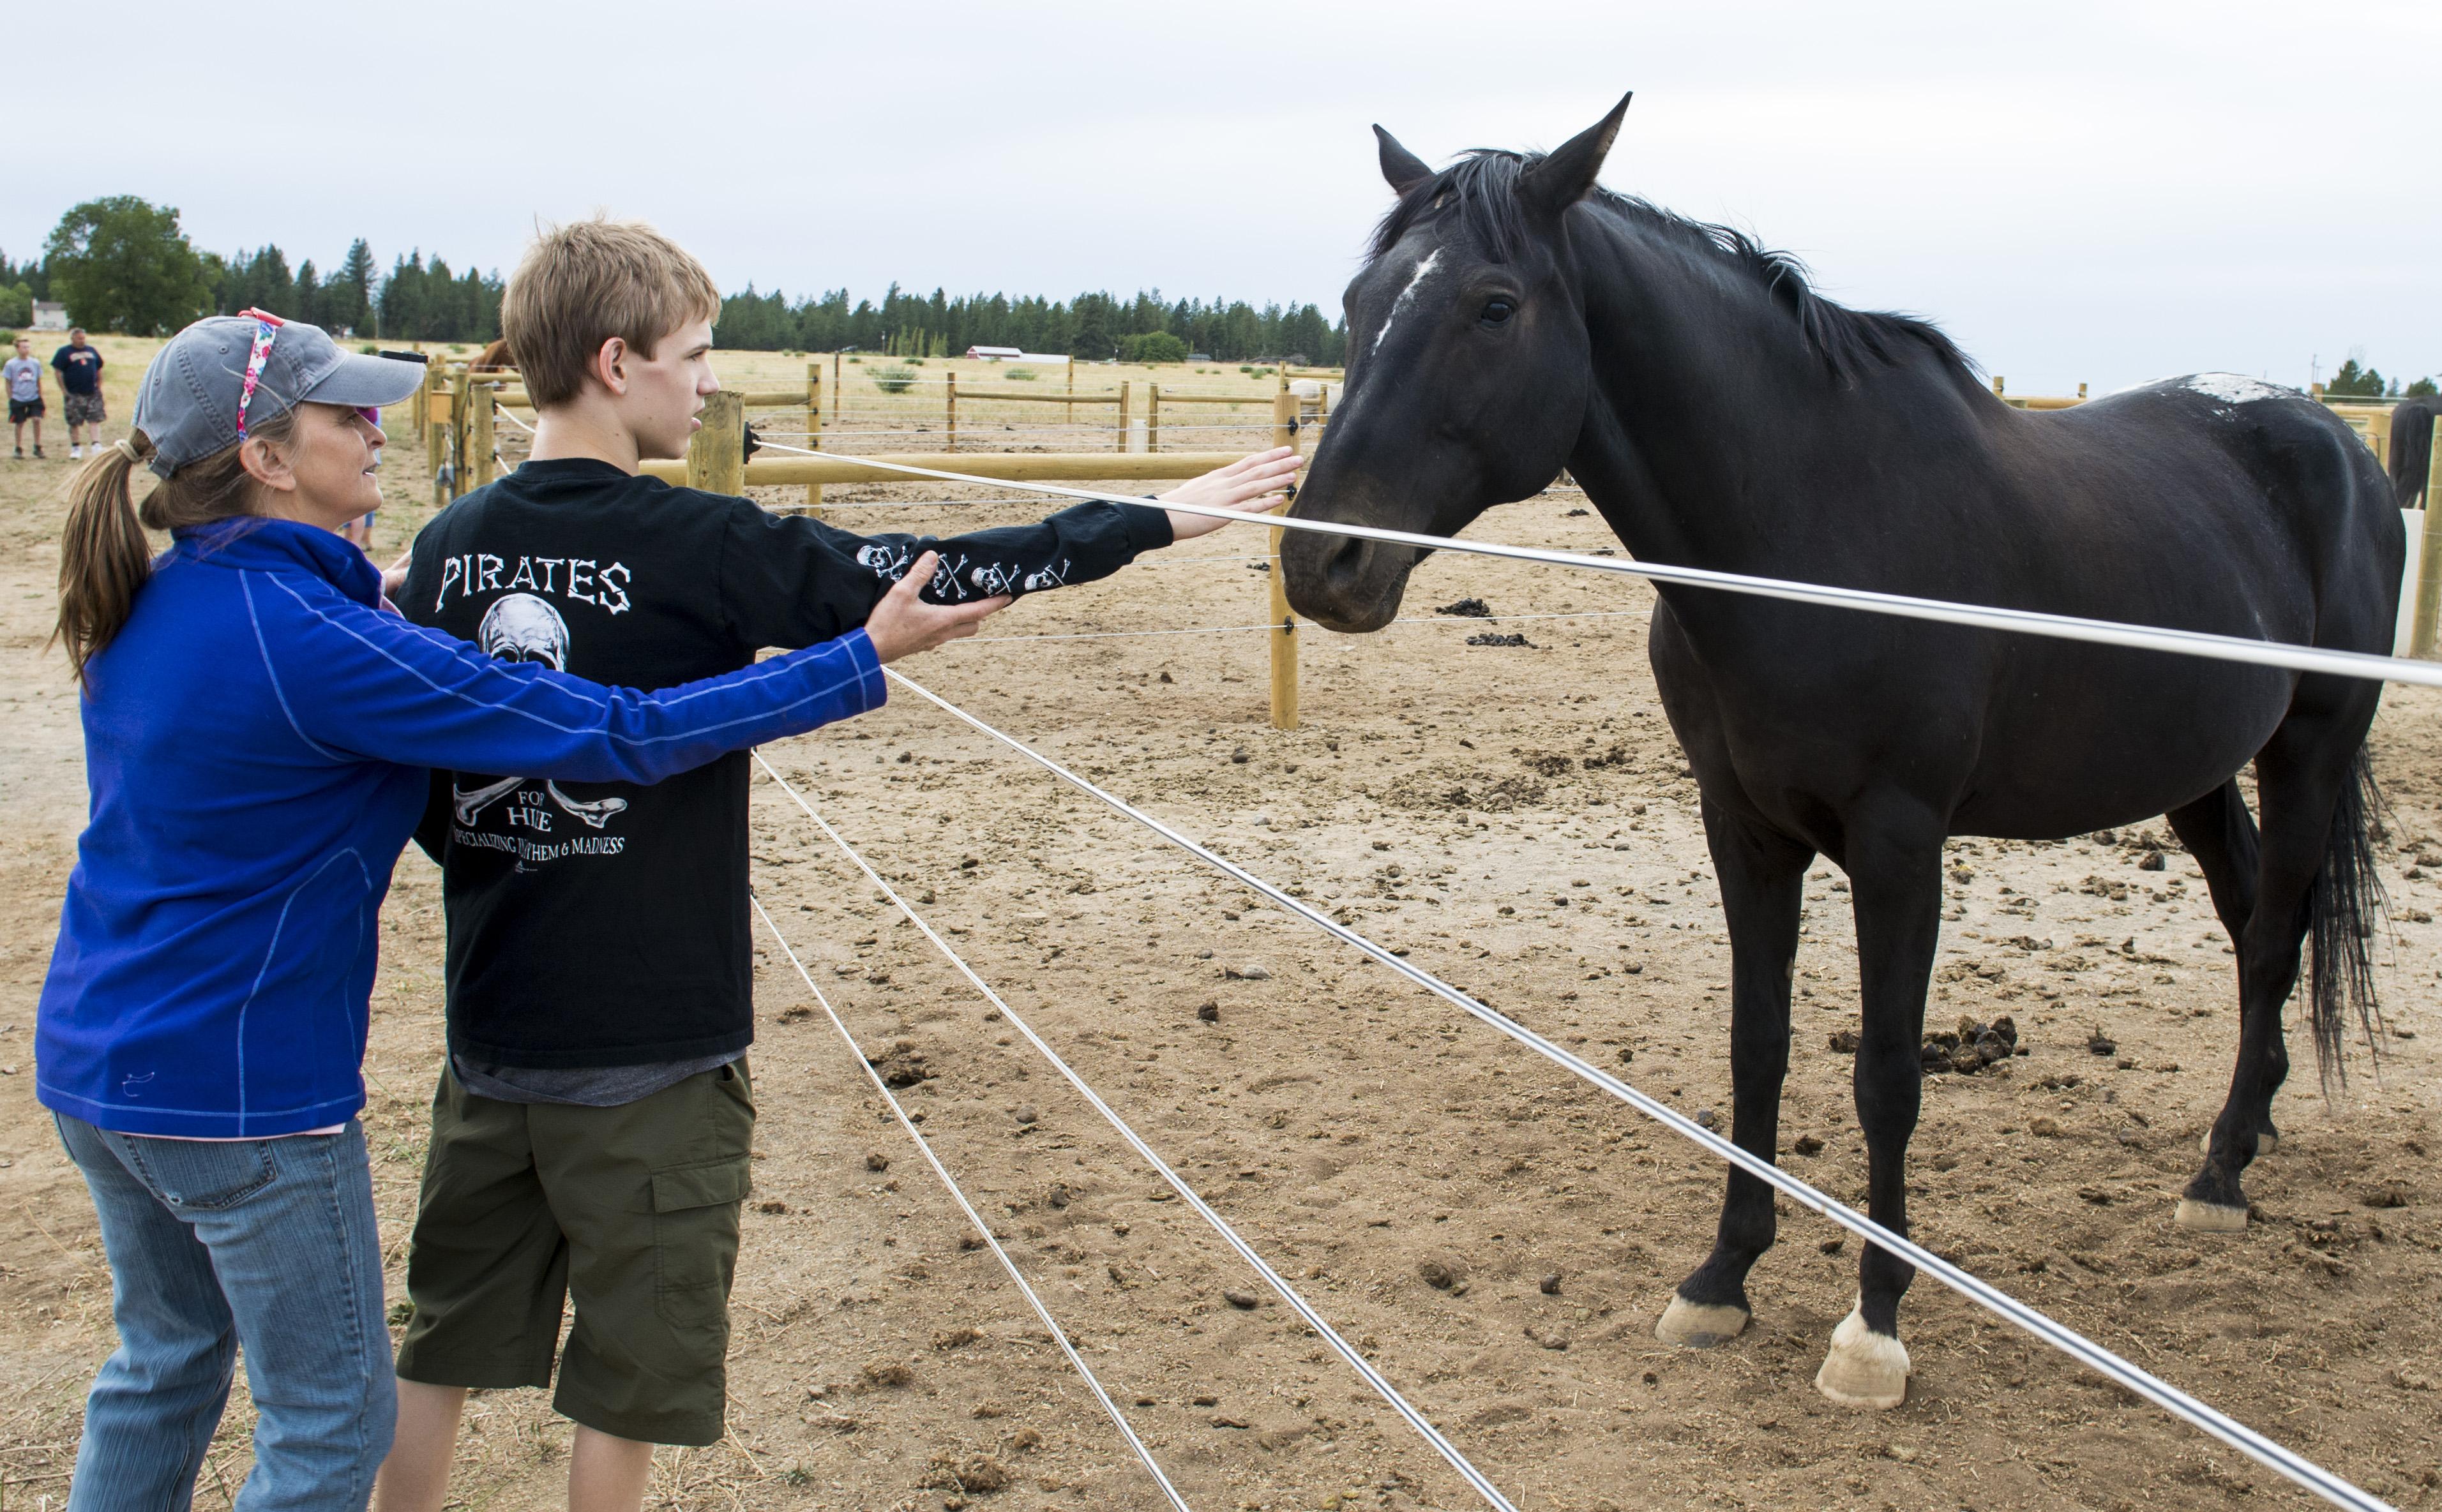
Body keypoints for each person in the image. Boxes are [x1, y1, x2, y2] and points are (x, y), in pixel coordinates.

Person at [372, 218, 1299, 1512]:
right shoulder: (697, 541)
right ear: (615, 359)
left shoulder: (444, 549)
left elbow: (416, 786)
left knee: (441, 1349)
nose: (705, 384)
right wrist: (1163, 518)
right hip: (651, 1045)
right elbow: (942, 569)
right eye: (693, 356)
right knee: (627, 1383)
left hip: (490, 1032)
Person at [38, 311, 1004, 1512]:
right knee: (332, 1418)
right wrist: (861, 655)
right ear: (269, 460)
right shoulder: (314, 639)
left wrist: (379, 601)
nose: (374, 427)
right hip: (245, 1092)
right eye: (344, 414)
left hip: (99, 1062)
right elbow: (620, 731)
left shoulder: (159, 594)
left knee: (163, 1363)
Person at [53, 326, 105, 458]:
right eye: (79, 338)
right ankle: (76, 448)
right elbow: (58, 372)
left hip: (92, 392)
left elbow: (99, 368)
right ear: (73, 339)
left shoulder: (92, 351)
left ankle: (96, 445)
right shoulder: (64, 352)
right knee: (74, 421)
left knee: (94, 419)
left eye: (83, 338)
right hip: (74, 393)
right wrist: (64, 391)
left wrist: (99, 386)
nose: (82, 341)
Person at [6, 333, 43, 458]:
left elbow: (38, 379)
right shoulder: (11, 364)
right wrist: (11, 397)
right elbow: (8, 382)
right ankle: (18, 447)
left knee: (37, 420)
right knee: (20, 423)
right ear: (17, 349)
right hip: (18, 397)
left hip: (34, 396)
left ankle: (37, 446)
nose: (26, 350)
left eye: (28, 347)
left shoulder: (35, 362)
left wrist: (40, 394)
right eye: (23, 347)